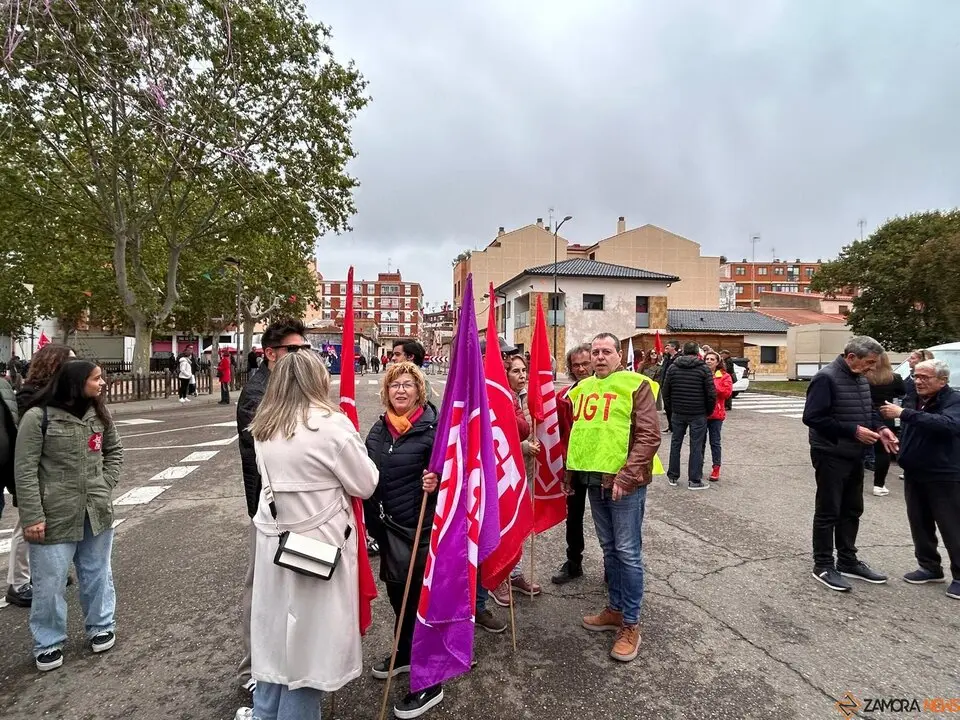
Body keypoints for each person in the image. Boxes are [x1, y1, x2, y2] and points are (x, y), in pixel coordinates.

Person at [236, 350, 378, 720]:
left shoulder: (264, 426)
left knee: (274, 643)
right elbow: (365, 483)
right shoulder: (331, 427)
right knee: (311, 648)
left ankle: (265, 713)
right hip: (320, 546)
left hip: (275, 545)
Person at [15, 360, 123, 671]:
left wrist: (104, 484)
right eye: (96, 378)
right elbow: (25, 470)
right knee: (49, 582)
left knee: (98, 572)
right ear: (76, 383)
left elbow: (114, 451)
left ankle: (101, 625)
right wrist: (32, 516)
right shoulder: (38, 417)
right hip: (54, 513)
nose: (102, 383)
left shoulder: (99, 413)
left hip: (95, 510)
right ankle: (48, 641)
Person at [565, 333, 661, 663]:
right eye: (595, 352)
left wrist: (628, 476)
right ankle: (615, 610)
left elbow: (649, 436)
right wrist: (570, 474)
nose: (600, 357)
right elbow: (579, 435)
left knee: (628, 552)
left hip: (624, 484)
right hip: (594, 481)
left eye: (607, 351)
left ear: (619, 355)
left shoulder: (636, 385)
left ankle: (631, 624)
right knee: (609, 548)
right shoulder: (582, 389)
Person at [364, 361, 444, 718]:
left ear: (419, 391)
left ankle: (431, 680)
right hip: (387, 530)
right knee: (399, 597)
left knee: (420, 603)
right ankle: (406, 652)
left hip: (420, 530)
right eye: (395, 384)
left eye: (408, 384)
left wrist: (436, 481)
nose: (400, 390)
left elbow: (455, 474)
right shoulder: (379, 428)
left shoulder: (433, 430)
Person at [235, 317, 309, 695]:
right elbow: (277, 448)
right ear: (271, 354)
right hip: (268, 509)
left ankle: (290, 658)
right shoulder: (258, 394)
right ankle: (253, 668)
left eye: (304, 349)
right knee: (261, 588)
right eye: (293, 349)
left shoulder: (289, 385)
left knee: (294, 585)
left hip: (294, 507)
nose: (301, 356)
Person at [802, 336, 898, 592]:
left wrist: (880, 428)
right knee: (828, 510)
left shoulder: (860, 377)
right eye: (869, 362)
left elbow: (867, 410)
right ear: (852, 357)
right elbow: (812, 417)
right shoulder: (826, 378)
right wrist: (853, 430)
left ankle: (847, 560)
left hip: (854, 454)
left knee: (852, 509)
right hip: (830, 453)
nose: (872, 368)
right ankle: (823, 564)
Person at [879, 359, 960, 600]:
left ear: (942, 380)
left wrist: (904, 414)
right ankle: (929, 567)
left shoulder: (953, 400)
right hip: (915, 471)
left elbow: (948, 425)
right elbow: (912, 425)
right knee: (919, 522)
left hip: (944, 474)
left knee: (952, 525)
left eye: (925, 377)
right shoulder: (913, 397)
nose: (918, 381)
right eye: (916, 376)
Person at [6, 344, 76, 608]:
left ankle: (41, 573)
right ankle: (18, 583)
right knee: (26, 525)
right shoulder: (29, 396)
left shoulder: (57, 392)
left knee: (47, 524)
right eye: (69, 361)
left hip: (54, 471)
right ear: (53, 364)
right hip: (34, 471)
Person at [489, 355, 540, 606]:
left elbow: (529, 427)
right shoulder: (497, 397)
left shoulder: (528, 397)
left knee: (519, 526)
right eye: (516, 371)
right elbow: (497, 438)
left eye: (524, 370)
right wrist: (523, 446)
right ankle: (497, 578)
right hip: (503, 475)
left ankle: (515, 573)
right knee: (502, 526)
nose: (522, 375)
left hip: (524, 473)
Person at [552, 344, 594, 585]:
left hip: (602, 465)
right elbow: (559, 432)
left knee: (607, 520)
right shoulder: (564, 396)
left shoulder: (608, 392)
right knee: (574, 517)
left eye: (585, 363)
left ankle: (612, 567)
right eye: (575, 365)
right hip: (574, 465)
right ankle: (573, 563)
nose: (580, 369)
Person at [662, 342, 716, 490]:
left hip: (678, 412)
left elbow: (665, 391)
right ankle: (694, 480)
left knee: (675, 443)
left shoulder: (673, 368)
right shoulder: (703, 369)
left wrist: (672, 408)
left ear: (683, 351)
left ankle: (673, 475)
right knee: (696, 446)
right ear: (697, 352)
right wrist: (708, 410)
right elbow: (711, 393)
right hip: (698, 412)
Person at [865, 352, 905, 496]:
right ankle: (879, 485)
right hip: (886, 413)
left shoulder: (864, 377)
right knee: (883, 451)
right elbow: (902, 392)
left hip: (866, 412)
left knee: (861, 447)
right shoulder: (895, 378)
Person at [703, 351, 733, 482]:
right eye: (707, 359)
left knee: (715, 442)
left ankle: (716, 467)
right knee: (699, 442)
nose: (709, 361)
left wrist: (712, 385)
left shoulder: (725, 376)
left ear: (717, 362)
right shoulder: (700, 374)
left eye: (712, 359)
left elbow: (727, 393)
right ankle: (698, 466)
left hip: (716, 414)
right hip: (701, 414)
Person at [660, 341, 680, 432]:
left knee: (674, 408)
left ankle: (677, 427)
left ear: (674, 347)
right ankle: (670, 426)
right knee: (667, 407)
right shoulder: (667, 358)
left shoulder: (678, 358)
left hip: (674, 387)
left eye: (668, 346)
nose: (666, 348)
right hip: (665, 385)